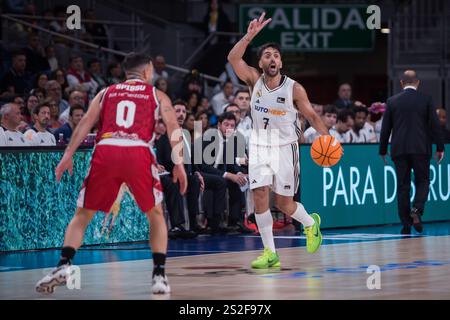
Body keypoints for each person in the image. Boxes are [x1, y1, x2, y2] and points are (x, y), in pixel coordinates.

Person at [35, 52, 187, 295]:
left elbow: (85, 122)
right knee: (155, 213)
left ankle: (63, 265)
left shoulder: (105, 92)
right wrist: (178, 163)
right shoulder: (156, 94)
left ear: (126, 72)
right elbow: (173, 127)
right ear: (147, 71)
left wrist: (67, 154)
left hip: (106, 149)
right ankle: (159, 275)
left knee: (83, 214)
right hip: (137, 150)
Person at [228, 12, 328, 269]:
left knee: (283, 203)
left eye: (276, 55)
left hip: (286, 148)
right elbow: (233, 58)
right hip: (260, 146)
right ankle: (270, 253)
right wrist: (249, 36)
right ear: (261, 63)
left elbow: (312, 116)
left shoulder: (294, 88)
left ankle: (310, 223)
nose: (271, 59)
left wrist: (327, 138)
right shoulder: (254, 80)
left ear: (281, 63)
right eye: (267, 55)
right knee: (260, 195)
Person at [379, 70, 444, 234]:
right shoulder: (426, 100)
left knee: (403, 186)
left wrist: (382, 150)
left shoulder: (392, 101)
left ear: (401, 83)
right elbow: (436, 126)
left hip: (399, 149)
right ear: (418, 83)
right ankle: (417, 209)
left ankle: (406, 224)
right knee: (423, 181)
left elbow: (386, 128)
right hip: (421, 148)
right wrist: (440, 147)